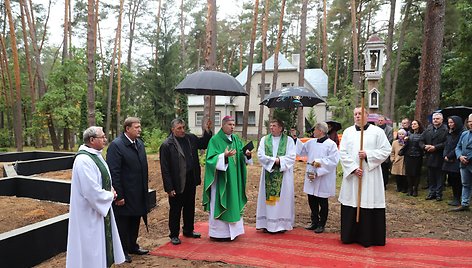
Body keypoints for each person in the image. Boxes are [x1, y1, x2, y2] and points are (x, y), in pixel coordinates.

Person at [66, 126, 125, 268]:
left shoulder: (95, 155)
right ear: (92, 140)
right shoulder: (83, 160)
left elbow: (100, 180)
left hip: (98, 210)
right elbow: (90, 190)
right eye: (102, 137)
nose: (105, 139)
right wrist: (110, 195)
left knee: (98, 246)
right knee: (91, 247)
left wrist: (109, 189)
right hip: (89, 213)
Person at [338, 107, 391, 247]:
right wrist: (353, 168)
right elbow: (342, 152)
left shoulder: (377, 132)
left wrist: (368, 155)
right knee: (352, 202)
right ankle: (349, 236)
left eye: (360, 113)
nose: (357, 116)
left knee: (368, 201)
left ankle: (368, 237)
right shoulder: (348, 132)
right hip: (353, 175)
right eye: (355, 114)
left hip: (370, 174)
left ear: (367, 115)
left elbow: (386, 150)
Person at [159, 119, 212, 245]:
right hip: (177, 182)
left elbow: (204, 143)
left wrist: (207, 131)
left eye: (183, 127)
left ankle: (188, 230)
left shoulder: (191, 138)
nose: (182, 130)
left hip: (190, 179)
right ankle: (174, 234)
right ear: (172, 129)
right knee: (176, 209)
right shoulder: (167, 145)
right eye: (179, 128)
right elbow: (165, 169)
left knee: (189, 207)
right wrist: (169, 188)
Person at [106, 117, 149, 263]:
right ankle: (122, 250)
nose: (139, 129)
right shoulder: (116, 146)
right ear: (127, 129)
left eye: (139, 127)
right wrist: (119, 196)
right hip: (124, 194)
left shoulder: (139, 144)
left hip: (138, 192)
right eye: (136, 127)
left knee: (135, 219)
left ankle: (132, 246)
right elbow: (114, 172)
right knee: (123, 223)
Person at [202, 116, 252, 241]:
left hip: (234, 180)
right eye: (230, 124)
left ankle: (233, 233)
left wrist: (247, 155)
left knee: (233, 201)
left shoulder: (235, 139)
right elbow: (210, 160)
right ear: (223, 125)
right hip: (221, 181)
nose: (232, 127)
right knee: (220, 202)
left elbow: (240, 155)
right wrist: (223, 156)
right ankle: (219, 234)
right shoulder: (215, 140)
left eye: (233, 125)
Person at [297, 122, 339, 234]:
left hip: (323, 176)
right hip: (311, 174)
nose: (313, 132)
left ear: (320, 131)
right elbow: (301, 151)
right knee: (312, 199)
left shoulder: (331, 144)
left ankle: (322, 224)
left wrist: (319, 162)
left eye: (314, 129)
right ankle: (314, 221)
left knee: (322, 201)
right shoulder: (311, 142)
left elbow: (333, 160)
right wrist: (295, 138)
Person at [256, 119, 296, 233]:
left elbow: (292, 156)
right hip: (268, 173)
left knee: (282, 200)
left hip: (283, 175)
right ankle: (266, 224)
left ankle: (281, 224)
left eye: (274, 126)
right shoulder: (265, 139)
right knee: (268, 200)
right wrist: (274, 161)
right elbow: (260, 155)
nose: (271, 128)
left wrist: (280, 161)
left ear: (281, 128)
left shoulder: (288, 140)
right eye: (271, 126)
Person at [420, 113, 448, 201]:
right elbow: (421, 140)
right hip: (429, 156)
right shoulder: (428, 129)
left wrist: (435, 147)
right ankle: (431, 192)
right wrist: (424, 146)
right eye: (434, 119)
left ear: (442, 120)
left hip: (439, 156)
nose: (435, 120)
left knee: (439, 176)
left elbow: (446, 143)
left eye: (437, 119)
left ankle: (438, 194)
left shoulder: (446, 130)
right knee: (431, 176)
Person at [451, 113, 472, 212]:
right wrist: (460, 156)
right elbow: (458, 147)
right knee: (465, 184)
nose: (470, 123)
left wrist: (468, 157)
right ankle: (464, 203)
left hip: (470, 162)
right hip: (463, 164)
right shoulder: (464, 134)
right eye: (469, 121)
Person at [442, 116, 464, 206]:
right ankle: (455, 197)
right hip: (448, 159)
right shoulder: (449, 133)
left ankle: (458, 198)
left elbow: (458, 147)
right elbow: (446, 145)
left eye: (452, 122)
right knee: (452, 179)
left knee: (458, 180)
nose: (450, 124)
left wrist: (450, 156)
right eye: (449, 122)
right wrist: (445, 155)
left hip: (456, 159)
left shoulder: (462, 133)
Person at [402, 120, 424, 196]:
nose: (413, 125)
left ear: (418, 125)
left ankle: (415, 189)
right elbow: (404, 144)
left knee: (416, 173)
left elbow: (422, 144)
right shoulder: (408, 133)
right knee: (408, 173)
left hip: (417, 156)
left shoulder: (422, 134)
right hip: (408, 155)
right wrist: (405, 140)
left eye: (415, 124)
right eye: (412, 124)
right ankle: (410, 189)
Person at [377, 116, 394, 189]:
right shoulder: (375, 129)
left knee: (384, 169)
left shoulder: (389, 129)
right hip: (376, 151)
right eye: (379, 120)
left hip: (385, 150)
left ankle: (384, 184)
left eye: (381, 120)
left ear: (385, 121)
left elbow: (390, 140)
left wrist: (382, 145)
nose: (380, 122)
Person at [390, 129, 407, 193]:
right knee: (397, 176)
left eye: (402, 134)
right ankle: (398, 187)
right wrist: (392, 159)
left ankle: (404, 188)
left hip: (404, 161)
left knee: (404, 176)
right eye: (400, 134)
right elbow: (392, 152)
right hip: (397, 161)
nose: (401, 135)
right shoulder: (395, 142)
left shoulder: (407, 142)